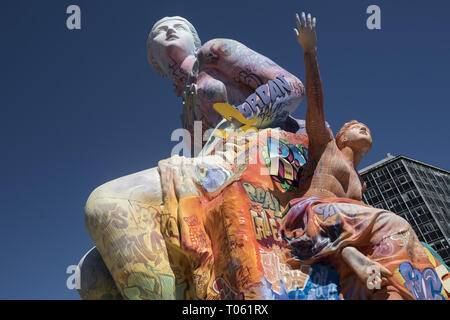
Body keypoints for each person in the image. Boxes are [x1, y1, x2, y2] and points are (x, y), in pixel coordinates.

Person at [81, 16, 311, 300]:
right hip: (211, 165)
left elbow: (291, 86)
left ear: (194, 39)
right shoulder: (186, 107)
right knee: (91, 272)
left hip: (257, 151)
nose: (166, 30)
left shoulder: (214, 53)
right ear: (157, 65)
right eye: (156, 35)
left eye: (176, 26)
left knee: (106, 204)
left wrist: (236, 121)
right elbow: (199, 157)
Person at [280, 12, 449, 300]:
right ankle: (347, 251)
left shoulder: (361, 184)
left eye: (367, 127)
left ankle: (377, 281)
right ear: (342, 136)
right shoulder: (326, 147)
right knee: (395, 224)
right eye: (357, 126)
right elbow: (316, 104)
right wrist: (310, 52)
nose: (365, 128)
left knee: (418, 255)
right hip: (314, 218)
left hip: (347, 233)